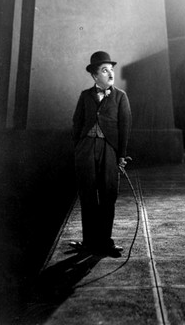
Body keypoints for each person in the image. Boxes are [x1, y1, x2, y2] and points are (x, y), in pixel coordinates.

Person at [71, 51, 132, 256]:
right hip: (86, 149)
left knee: (108, 194)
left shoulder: (120, 97)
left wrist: (121, 155)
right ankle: (89, 242)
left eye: (111, 69)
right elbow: (77, 122)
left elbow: (125, 127)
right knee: (87, 195)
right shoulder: (85, 96)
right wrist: (79, 147)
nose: (110, 73)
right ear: (95, 75)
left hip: (109, 150)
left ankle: (105, 242)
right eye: (104, 70)